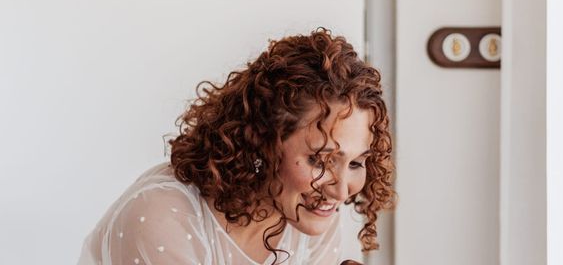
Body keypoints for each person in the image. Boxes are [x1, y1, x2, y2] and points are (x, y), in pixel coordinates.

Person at [78, 28, 395, 264]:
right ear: (263, 139)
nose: (341, 192)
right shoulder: (162, 217)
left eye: (356, 163)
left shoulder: (309, 215)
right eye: (320, 160)